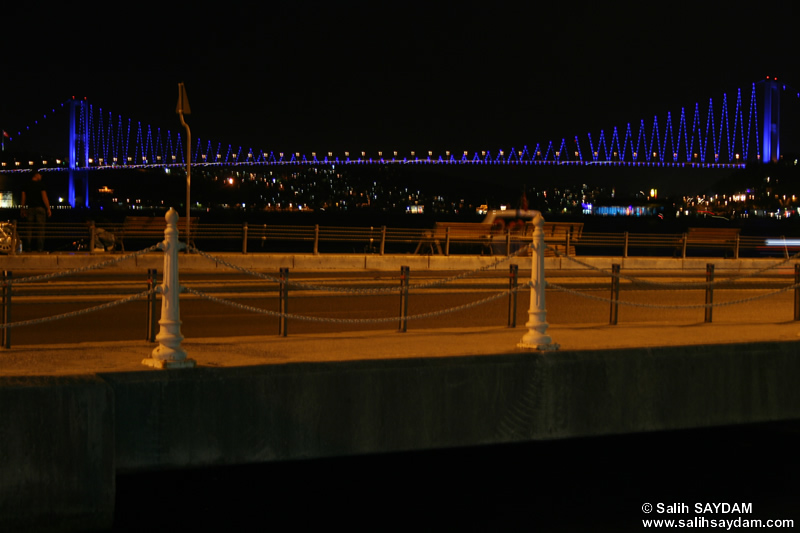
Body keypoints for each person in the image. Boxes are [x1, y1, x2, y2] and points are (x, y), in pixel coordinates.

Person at [20, 171, 51, 252]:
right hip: (40, 209)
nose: (41, 177)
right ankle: (40, 248)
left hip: (30, 209)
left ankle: (28, 247)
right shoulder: (41, 185)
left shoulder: (26, 185)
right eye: (40, 175)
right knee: (40, 229)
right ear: (36, 175)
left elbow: (23, 198)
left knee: (29, 229)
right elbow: (44, 197)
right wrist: (48, 208)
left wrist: (22, 209)